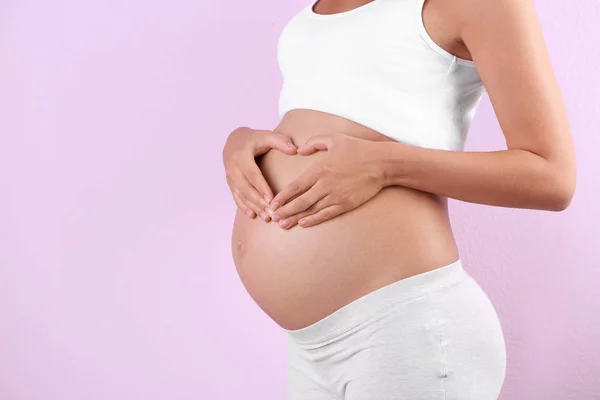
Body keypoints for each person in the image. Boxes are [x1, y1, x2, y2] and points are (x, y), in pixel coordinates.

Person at [222, 0, 576, 398]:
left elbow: (552, 176)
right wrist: (239, 144)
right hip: (308, 347)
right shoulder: (321, 8)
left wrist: (385, 165)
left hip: (407, 329)